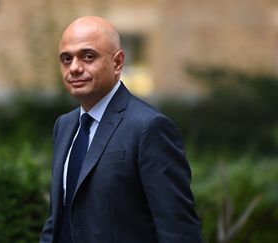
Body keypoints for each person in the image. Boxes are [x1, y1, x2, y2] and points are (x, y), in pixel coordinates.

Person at [40, 16, 202, 243]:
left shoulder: (149, 128)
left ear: (117, 63)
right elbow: (57, 220)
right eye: (66, 59)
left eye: (88, 56)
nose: (74, 67)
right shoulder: (64, 126)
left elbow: (178, 230)